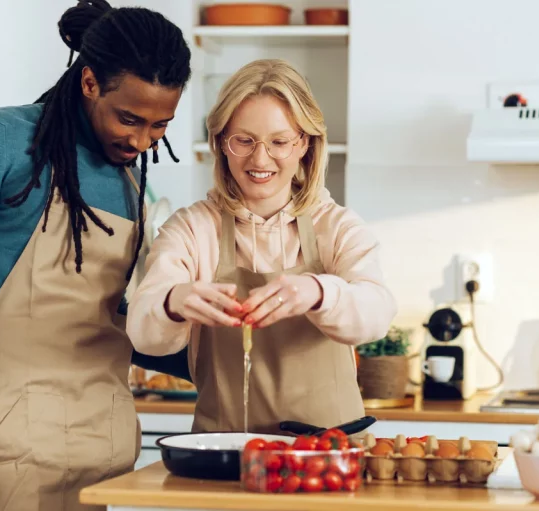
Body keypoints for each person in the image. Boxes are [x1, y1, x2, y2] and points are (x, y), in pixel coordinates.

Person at [0, 1, 192, 510]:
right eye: (130, 118)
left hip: (106, 449)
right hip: (10, 448)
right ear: (90, 82)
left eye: (160, 126)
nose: (141, 140)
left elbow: (106, 322)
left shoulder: (131, 183)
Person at [126, 59, 398, 434]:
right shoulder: (192, 229)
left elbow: (377, 313)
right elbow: (142, 332)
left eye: (279, 142)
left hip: (327, 458)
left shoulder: (337, 226)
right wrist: (173, 301)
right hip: (222, 457)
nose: (260, 158)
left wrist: (318, 292)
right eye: (244, 140)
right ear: (221, 142)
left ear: (304, 143)